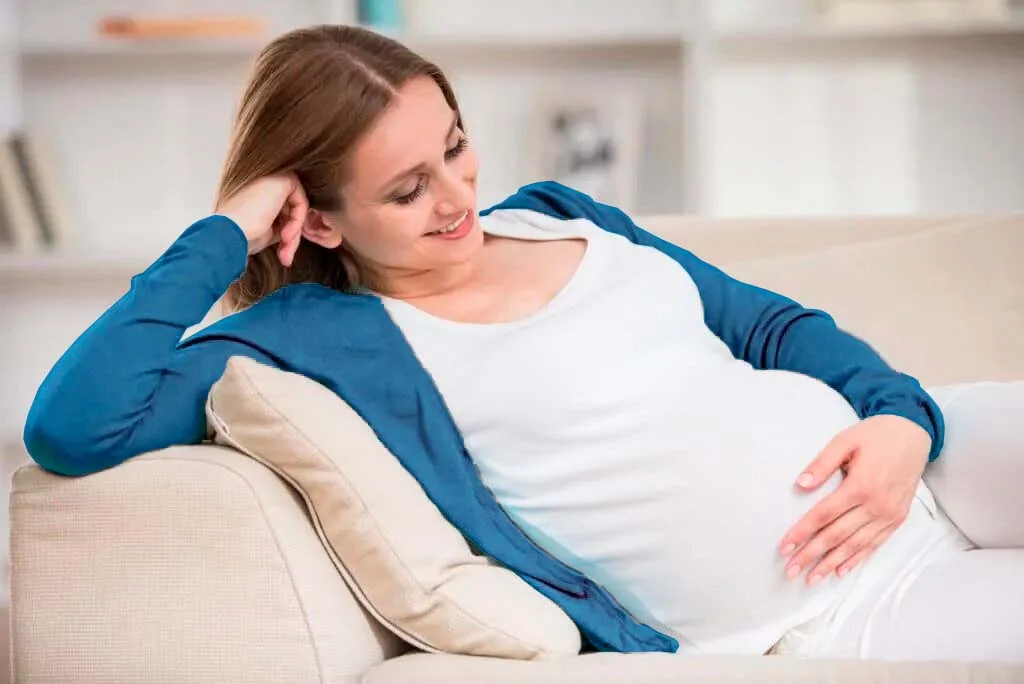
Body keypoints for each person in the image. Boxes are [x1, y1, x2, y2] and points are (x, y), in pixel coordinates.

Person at [23, 25, 1023, 662]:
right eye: (406, 190)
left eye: (453, 144)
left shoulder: (556, 213)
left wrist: (899, 421)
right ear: (320, 220)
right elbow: (75, 425)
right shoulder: (313, 338)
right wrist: (228, 229)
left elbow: (767, 325)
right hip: (842, 605)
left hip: (934, 453)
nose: (457, 197)